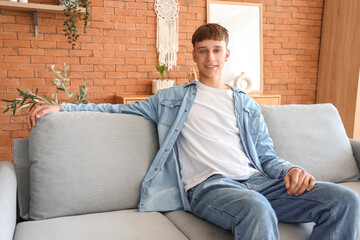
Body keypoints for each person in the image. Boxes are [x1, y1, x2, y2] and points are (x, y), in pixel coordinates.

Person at [27, 23, 360, 240]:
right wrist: (63, 107)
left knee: (344, 200)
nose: (210, 57)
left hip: (257, 181)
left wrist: (291, 170)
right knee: (255, 207)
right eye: (202, 51)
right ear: (194, 56)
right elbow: (113, 109)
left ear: (226, 54)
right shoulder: (172, 100)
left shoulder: (246, 105)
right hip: (209, 187)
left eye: (216, 50)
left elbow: (268, 156)